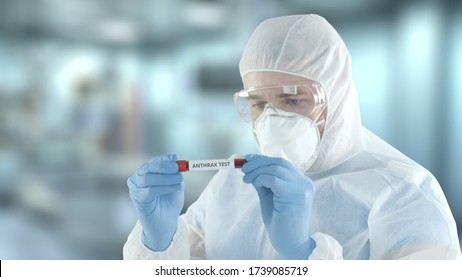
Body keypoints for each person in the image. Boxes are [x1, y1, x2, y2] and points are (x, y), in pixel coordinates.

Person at [123, 14, 461, 260]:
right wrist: (158, 242)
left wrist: (304, 257)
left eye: (292, 99)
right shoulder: (229, 184)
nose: (271, 119)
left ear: (338, 98)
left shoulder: (405, 194)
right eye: (257, 103)